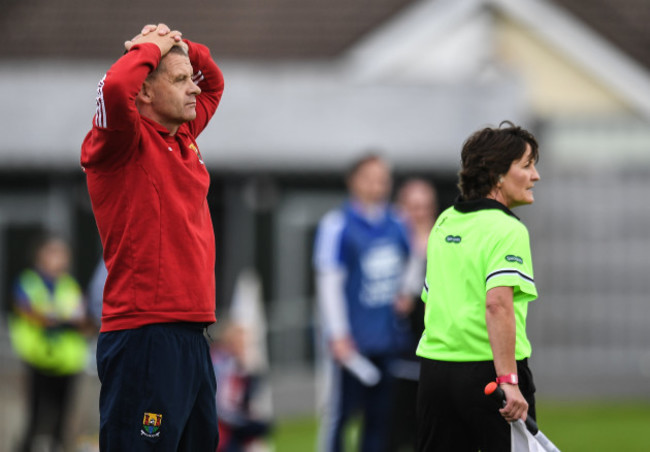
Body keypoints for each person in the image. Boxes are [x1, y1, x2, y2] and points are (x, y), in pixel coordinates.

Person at [80, 22, 225, 451]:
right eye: (179, 80)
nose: (193, 89)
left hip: (192, 335)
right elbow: (114, 88)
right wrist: (147, 47)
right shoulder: (119, 141)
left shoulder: (182, 137)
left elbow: (214, 80)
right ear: (144, 92)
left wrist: (178, 44)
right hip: (145, 332)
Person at [416, 121, 541, 451]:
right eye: (527, 166)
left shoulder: (443, 221)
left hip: (434, 376)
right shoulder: (508, 229)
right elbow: (497, 305)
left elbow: (433, 302)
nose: (535, 176)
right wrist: (508, 381)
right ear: (498, 173)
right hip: (490, 378)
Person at [313, 154, 412, 452]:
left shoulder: (398, 223)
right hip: (348, 346)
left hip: (386, 339)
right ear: (353, 181)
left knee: (380, 421)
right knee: (338, 418)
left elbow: (412, 261)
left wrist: (404, 292)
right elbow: (328, 282)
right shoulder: (337, 225)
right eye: (369, 177)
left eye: (382, 178)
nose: (376, 185)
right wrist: (338, 333)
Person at [7, 234, 88, 452]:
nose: (60, 258)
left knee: (62, 421)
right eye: (53, 252)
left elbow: (81, 321)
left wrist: (57, 318)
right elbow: (30, 312)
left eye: (62, 253)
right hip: (38, 358)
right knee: (35, 417)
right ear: (39, 255)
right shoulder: (28, 282)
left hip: (67, 362)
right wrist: (62, 319)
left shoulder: (69, 285)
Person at [388, 178, 438, 452]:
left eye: (424, 207)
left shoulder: (443, 245)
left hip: (431, 356)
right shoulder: (390, 245)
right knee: (392, 434)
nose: (419, 214)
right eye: (412, 206)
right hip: (396, 353)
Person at [211, 322, 272, 452]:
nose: (245, 347)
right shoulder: (223, 365)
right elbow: (222, 406)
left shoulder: (236, 366)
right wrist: (243, 420)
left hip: (229, 424)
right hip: (221, 429)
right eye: (243, 343)